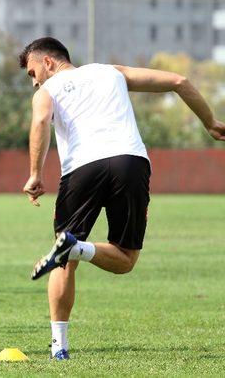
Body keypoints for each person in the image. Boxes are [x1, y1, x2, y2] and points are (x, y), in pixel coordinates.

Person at [19, 37, 225, 360]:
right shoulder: (111, 72)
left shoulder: (48, 91)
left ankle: (59, 347)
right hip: (130, 162)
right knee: (126, 259)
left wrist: (35, 173)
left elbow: (41, 120)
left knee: (64, 261)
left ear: (48, 63)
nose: (34, 83)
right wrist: (210, 122)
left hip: (81, 171)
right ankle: (77, 247)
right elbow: (178, 81)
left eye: (33, 73)